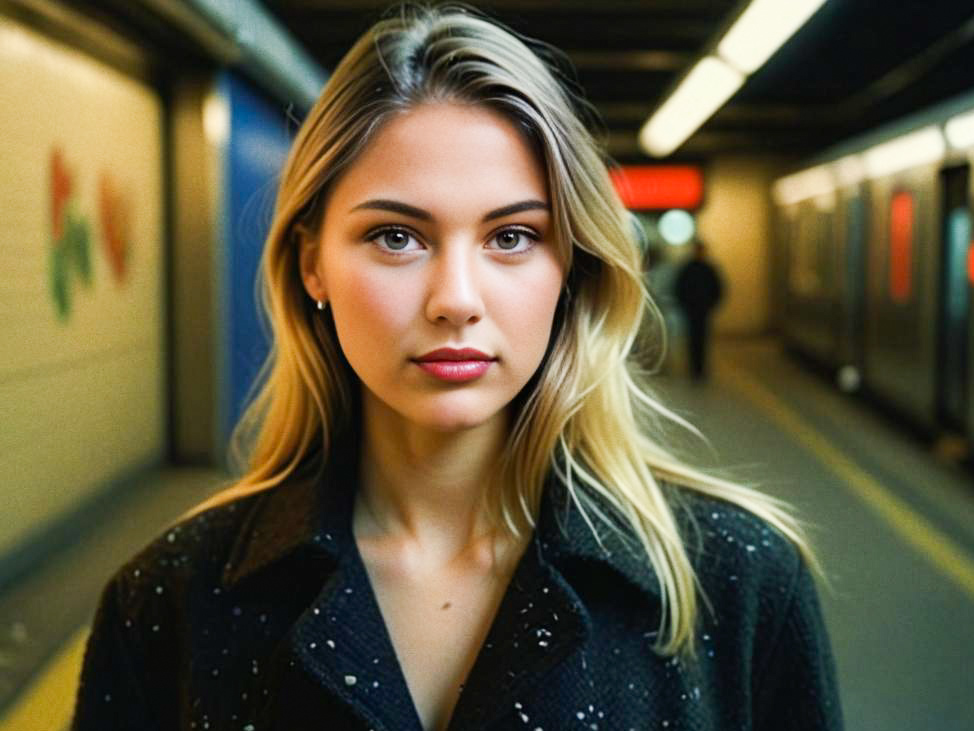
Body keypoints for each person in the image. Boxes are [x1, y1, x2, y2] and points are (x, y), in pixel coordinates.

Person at [71, 5, 842, 730]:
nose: (456, 300)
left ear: (569, 266)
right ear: (312, 263)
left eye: (511, 238)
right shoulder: (168, 599)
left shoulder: (740, 585)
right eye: (397, 237)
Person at [674, 240, 725, 381]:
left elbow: (717, 289)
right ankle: (695, 369)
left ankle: (700, 369)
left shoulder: (705, 269)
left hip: (702, 309)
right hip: (693, 309)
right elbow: (679, 288)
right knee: (694, 339)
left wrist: (711, 304)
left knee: (701, 339)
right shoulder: (691, 268)